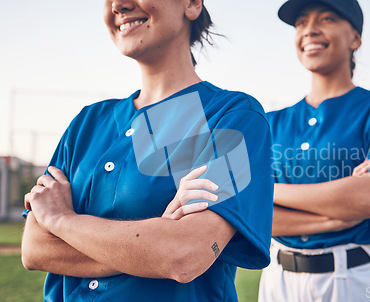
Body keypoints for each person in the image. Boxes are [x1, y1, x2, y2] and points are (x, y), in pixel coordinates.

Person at [21, 0, 273, 301]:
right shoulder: (87, 122)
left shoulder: (233, 117)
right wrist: (155, 242)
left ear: (192, 4)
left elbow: (184, 255)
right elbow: (34, 248)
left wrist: (61, 220)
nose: (119, 5)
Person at [258, 0, 370, 301]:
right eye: (301, 23)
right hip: (278, 281)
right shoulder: (270, 123)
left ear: (356, 38)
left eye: (327, 18)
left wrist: (266, 189)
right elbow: (253, 212)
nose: (309, 30)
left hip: (357, 279)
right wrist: (332, 216)